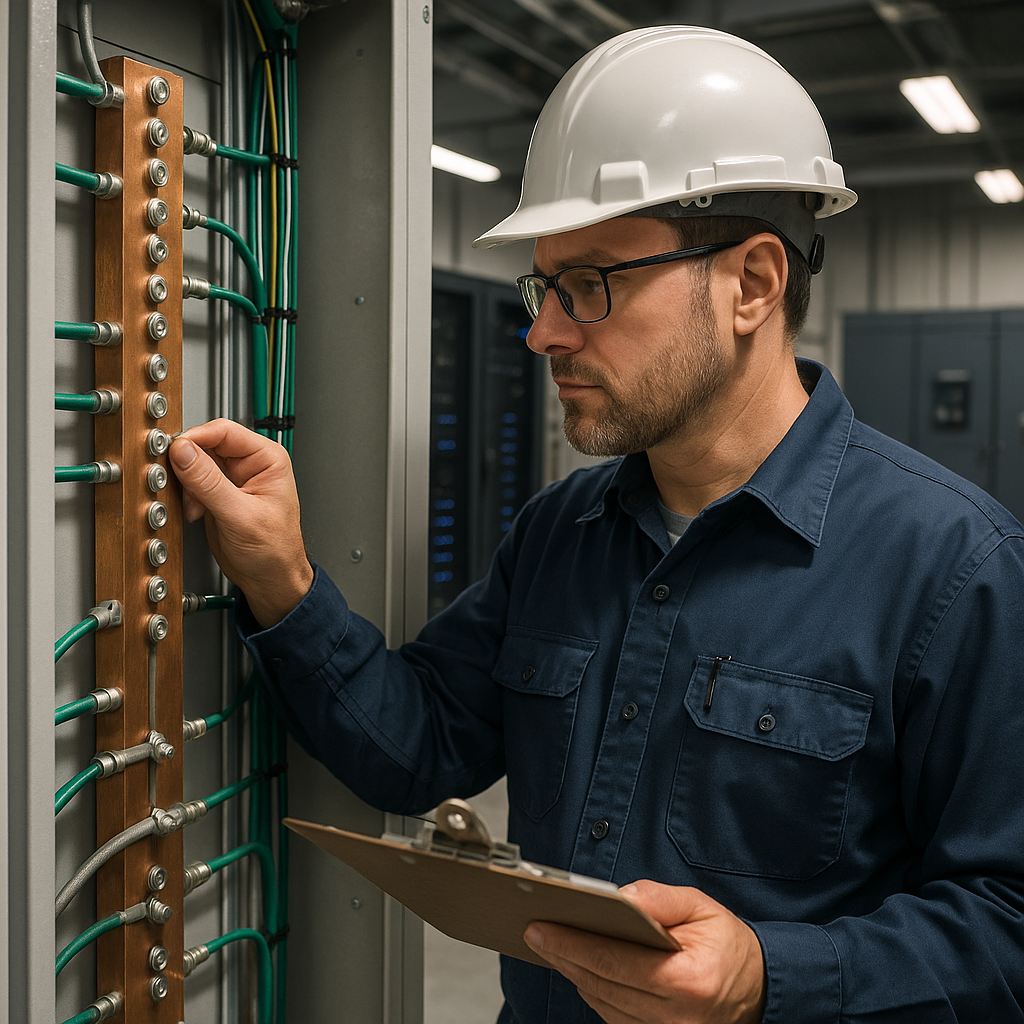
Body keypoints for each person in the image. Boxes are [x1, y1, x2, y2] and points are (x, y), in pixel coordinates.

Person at [169, 25, 1024, 1024]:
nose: (542, 332)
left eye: (591, 285)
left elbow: (1004, 923)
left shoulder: (955, 568)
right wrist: (280, 575)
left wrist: (766, 975)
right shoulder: (560, 531)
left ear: (751, 283)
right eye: (546, 286)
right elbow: (421, 746)